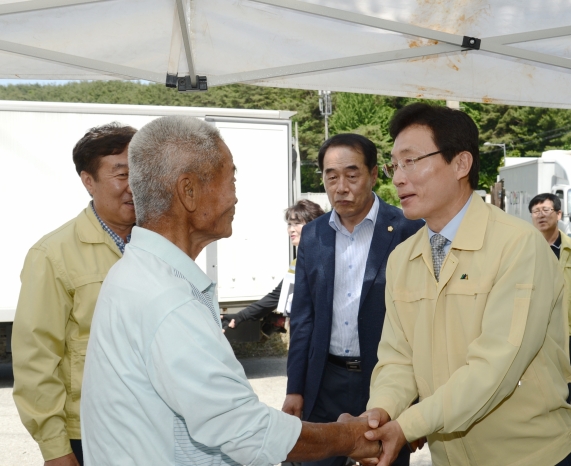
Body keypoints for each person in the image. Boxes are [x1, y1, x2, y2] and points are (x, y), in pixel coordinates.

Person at [80, 116, 380, 465]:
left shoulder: (139, 274)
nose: (235, 195)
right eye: (231, 178)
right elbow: (243, 430)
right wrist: (349, 437)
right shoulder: (165, 298)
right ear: (188, 191)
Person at [358, 103, 571, 466]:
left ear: (461, 164)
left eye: (411, 161)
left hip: (532, 456)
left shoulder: (518, 245)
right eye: (394, 164)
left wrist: (409, 425)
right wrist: (380, 414)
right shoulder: (403, 257)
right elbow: (397, 359)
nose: (398, 177)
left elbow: (495, 367)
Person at [283, 133, 423, 466]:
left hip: (385, 381)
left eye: (352, 174)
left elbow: (423, 323)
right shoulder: (314, 234)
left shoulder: (407, 229)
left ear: (374, 174)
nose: (341, 187)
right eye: (331, 176)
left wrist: (419, 406)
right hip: (325, 379)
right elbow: (303, 318)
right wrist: (295, 388)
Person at [12, 122, 137, 466]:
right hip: (89, 432)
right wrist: (55, 448)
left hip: (152, 425)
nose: (134, 187)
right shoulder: (52, 254)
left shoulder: (160, 244)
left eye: (141, 172)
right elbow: (35, 357)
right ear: (88, 181)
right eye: (122, 174)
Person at [221, 199, 325, 333]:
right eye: (289, 224)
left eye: (297, 223)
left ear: (314, 225)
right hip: (301, 331)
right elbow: (277, 296)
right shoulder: (298, 261)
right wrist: (240, 316)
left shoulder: (324, 259)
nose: (291, 230)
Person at [529, 193, 571, 404]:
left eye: (546, 210)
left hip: (567, 331)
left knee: (564, 384)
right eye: (536, 212)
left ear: (558, 214)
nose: (540, 216)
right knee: (535, 386)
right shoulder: (524, 250)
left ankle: (569, 436)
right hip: (534, 331)